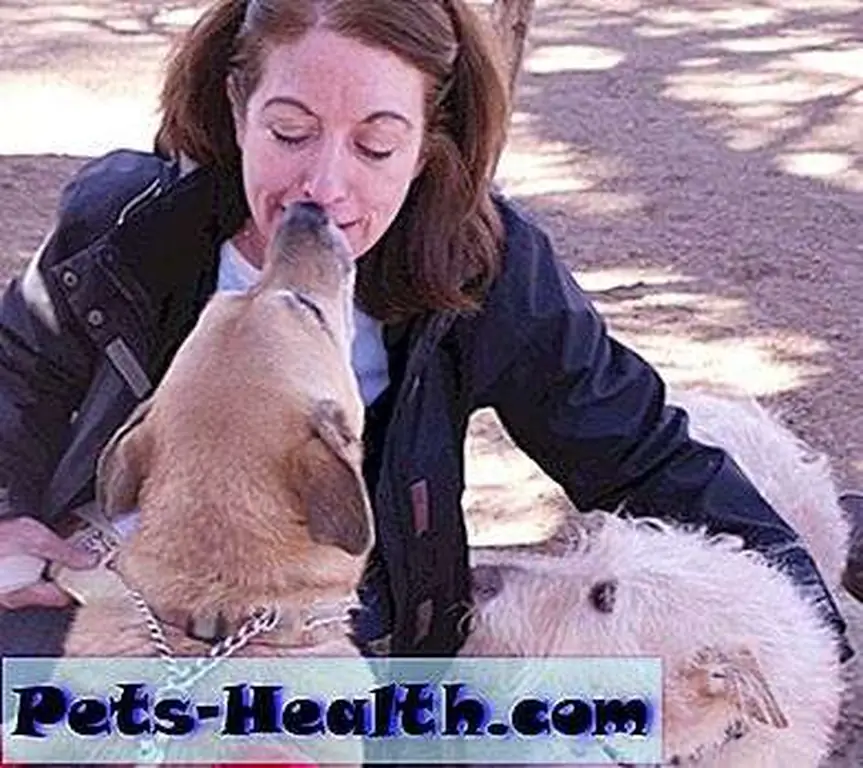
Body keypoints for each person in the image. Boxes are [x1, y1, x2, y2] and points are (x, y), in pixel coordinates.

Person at [0, 0, 853, 678]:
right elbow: (15, 371)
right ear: (237, 107)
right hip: (108, 604)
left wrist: (801, 633)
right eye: (289, 132)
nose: (323, 186)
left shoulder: (485, 266)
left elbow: (634, 447)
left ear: (425, 145)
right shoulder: (123, 228)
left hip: (359, 636)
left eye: (375, 145)